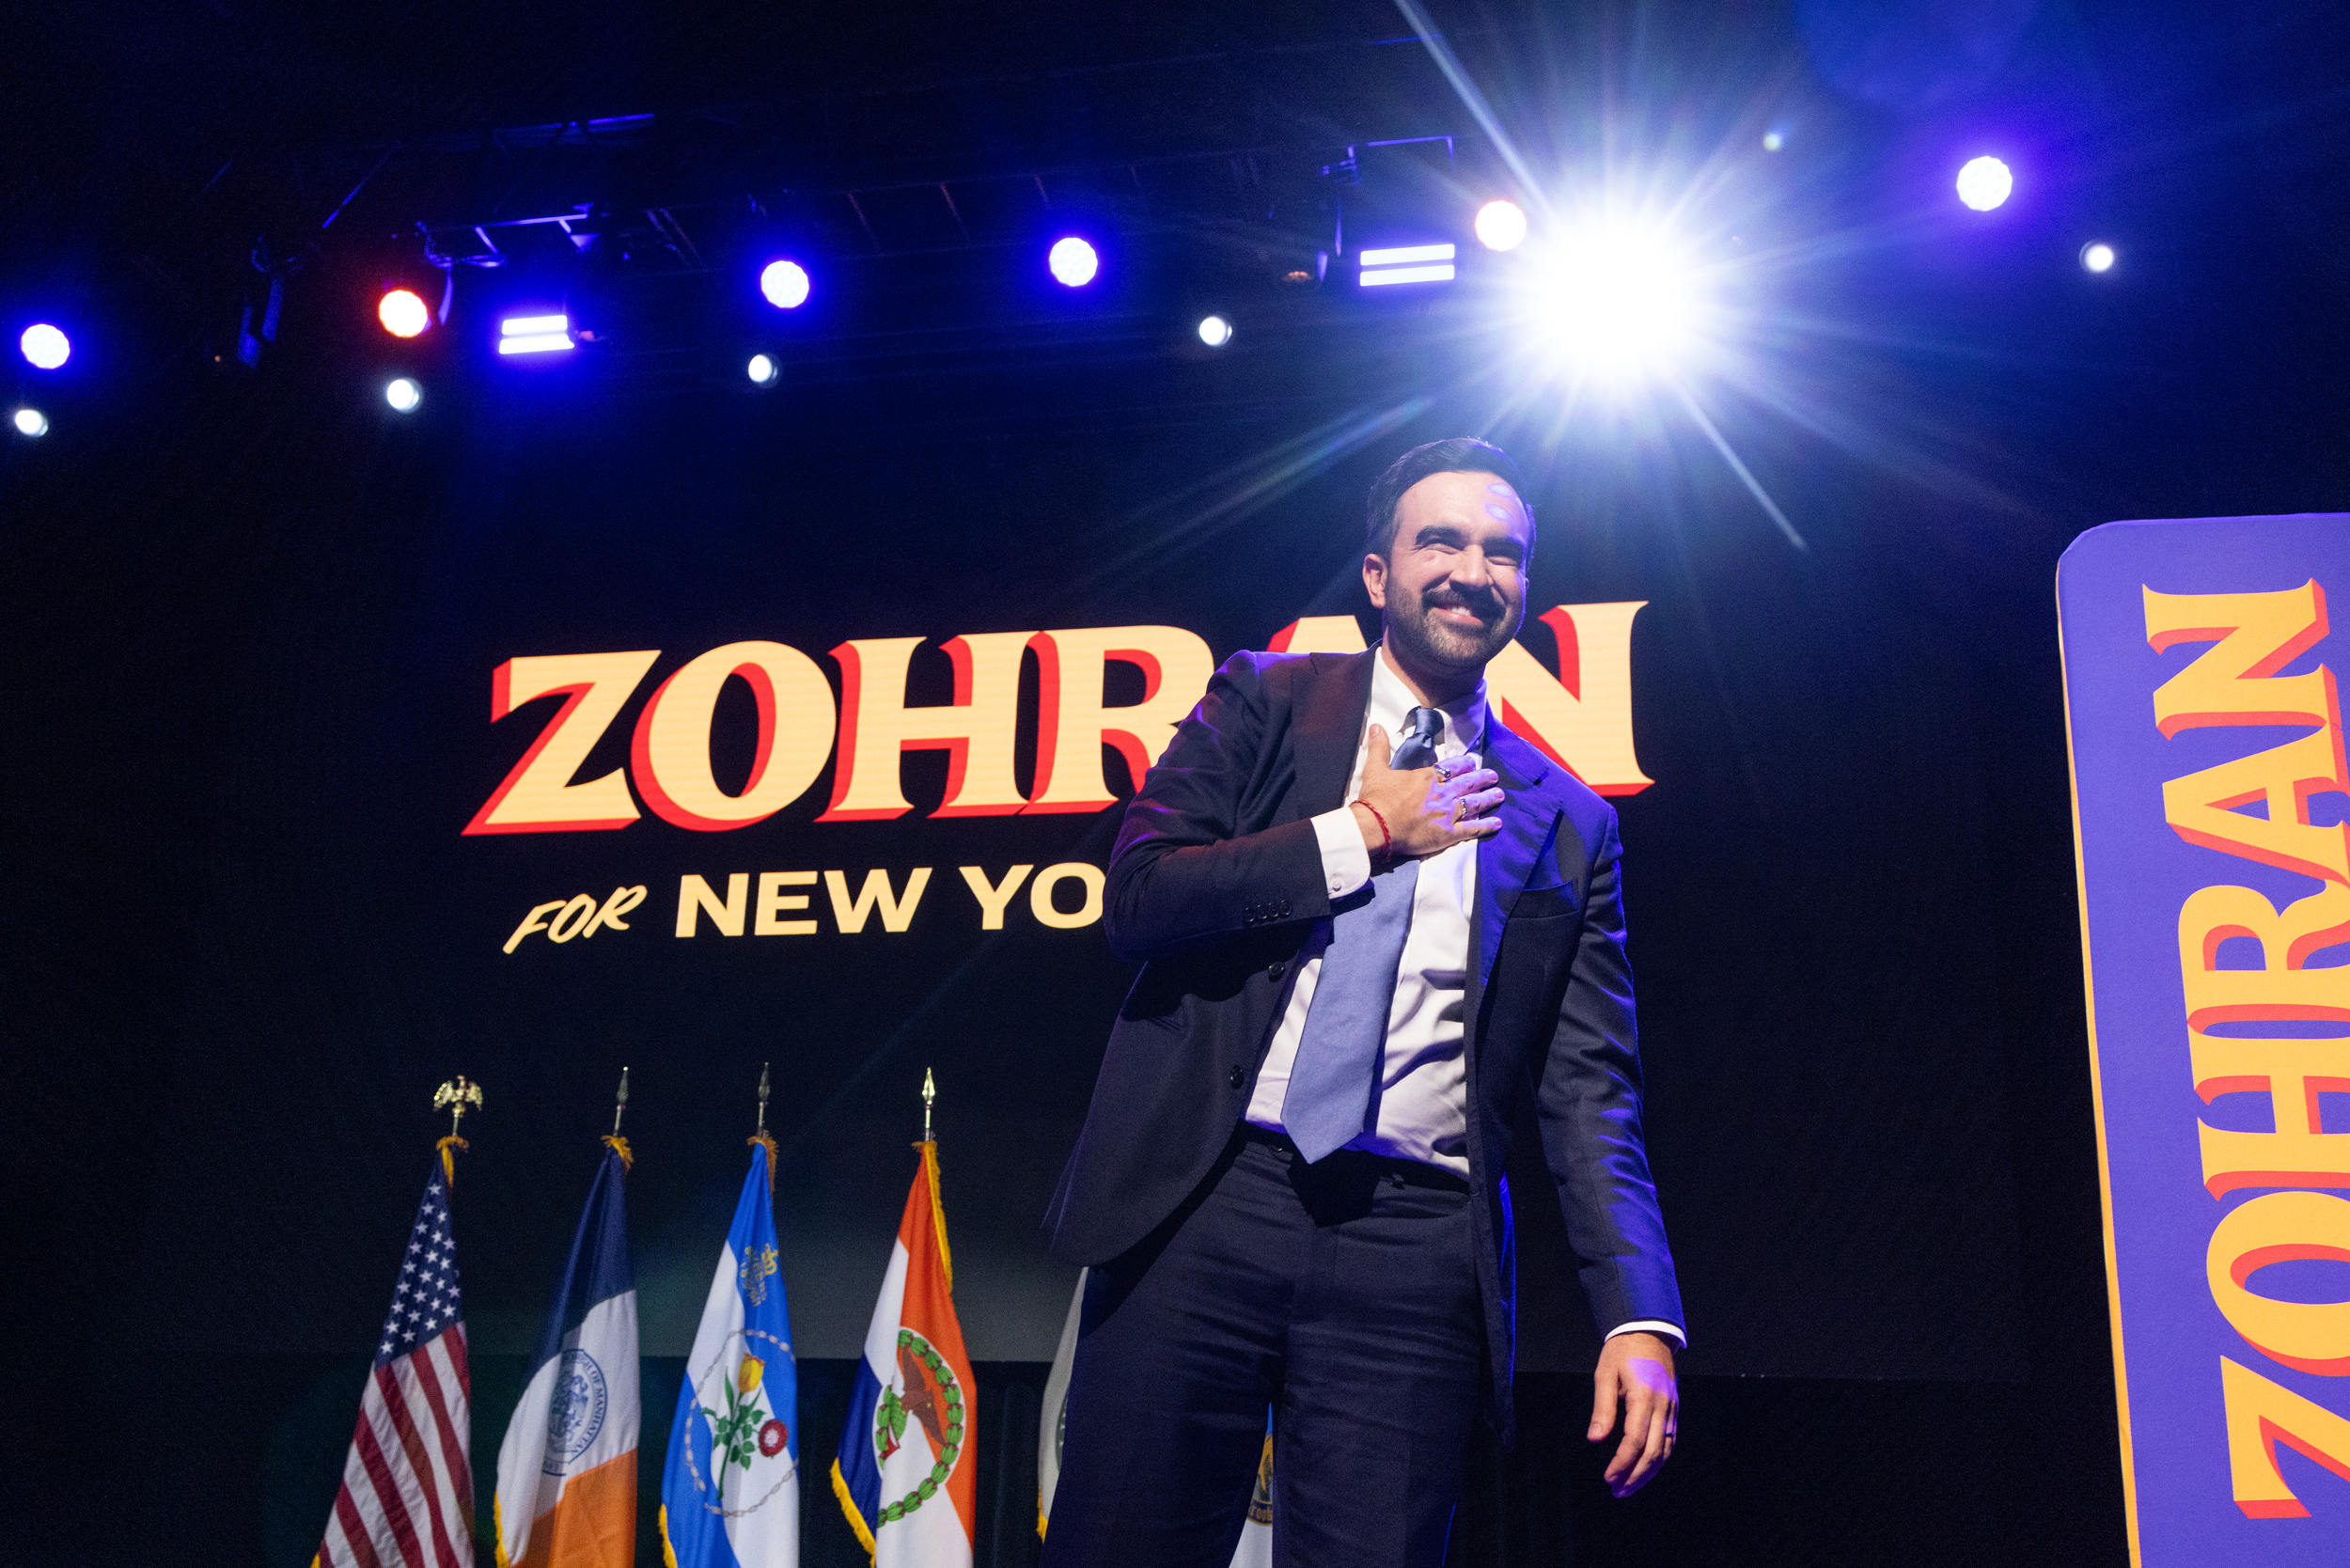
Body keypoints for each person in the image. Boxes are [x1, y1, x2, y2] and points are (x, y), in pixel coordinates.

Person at [1039, 438, 1684, 1568]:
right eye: (1441, 541)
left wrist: (1638, 1312)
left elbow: (1592, 1095)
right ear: (1379, 575)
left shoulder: (1569, 821)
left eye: (1502, 553)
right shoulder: (1266, 700)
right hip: (1206, 1202)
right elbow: (1139, 898)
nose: (1472, 572)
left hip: (1415, 1248)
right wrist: (1366, 831)